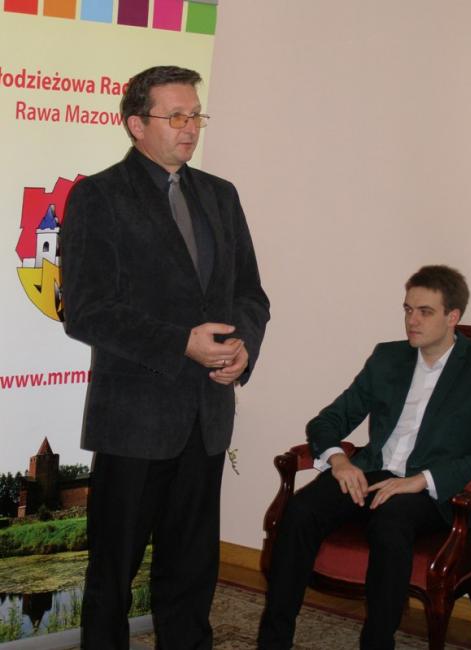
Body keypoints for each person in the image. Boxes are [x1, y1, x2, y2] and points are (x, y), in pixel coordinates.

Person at [61, 65, 270, 650]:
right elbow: (88, 311)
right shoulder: (98, 196)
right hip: (134, 420)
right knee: (113, 574)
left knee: (191, 572)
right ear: (136, 124)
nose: (189, 127)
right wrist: (182, 343)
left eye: (195, 114)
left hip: (206, 416)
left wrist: (243, 349)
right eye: (175, 115)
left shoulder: (221, 196)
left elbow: (250, 295)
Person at [258, 265, 471, 650]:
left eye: (424, 311)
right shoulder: (388, 358)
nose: (412, 320)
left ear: (452, 317)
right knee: (301, 511)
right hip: (372, 472)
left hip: (431, 489)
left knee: (391, 521)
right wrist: (339, 461)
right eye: (408, 309)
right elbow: (329, 420)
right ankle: (273, 641)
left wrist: (421, 480)